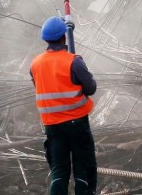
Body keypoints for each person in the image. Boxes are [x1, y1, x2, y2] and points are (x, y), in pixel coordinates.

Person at [29, 16, 98, 195]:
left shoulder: (35, 64)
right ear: (64, 37)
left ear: (46, 39)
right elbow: (90, 89)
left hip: (52, 127)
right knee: (83, 170)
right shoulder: (74, 61)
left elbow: (43, 88)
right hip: (77, 125)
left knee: (59, 173)